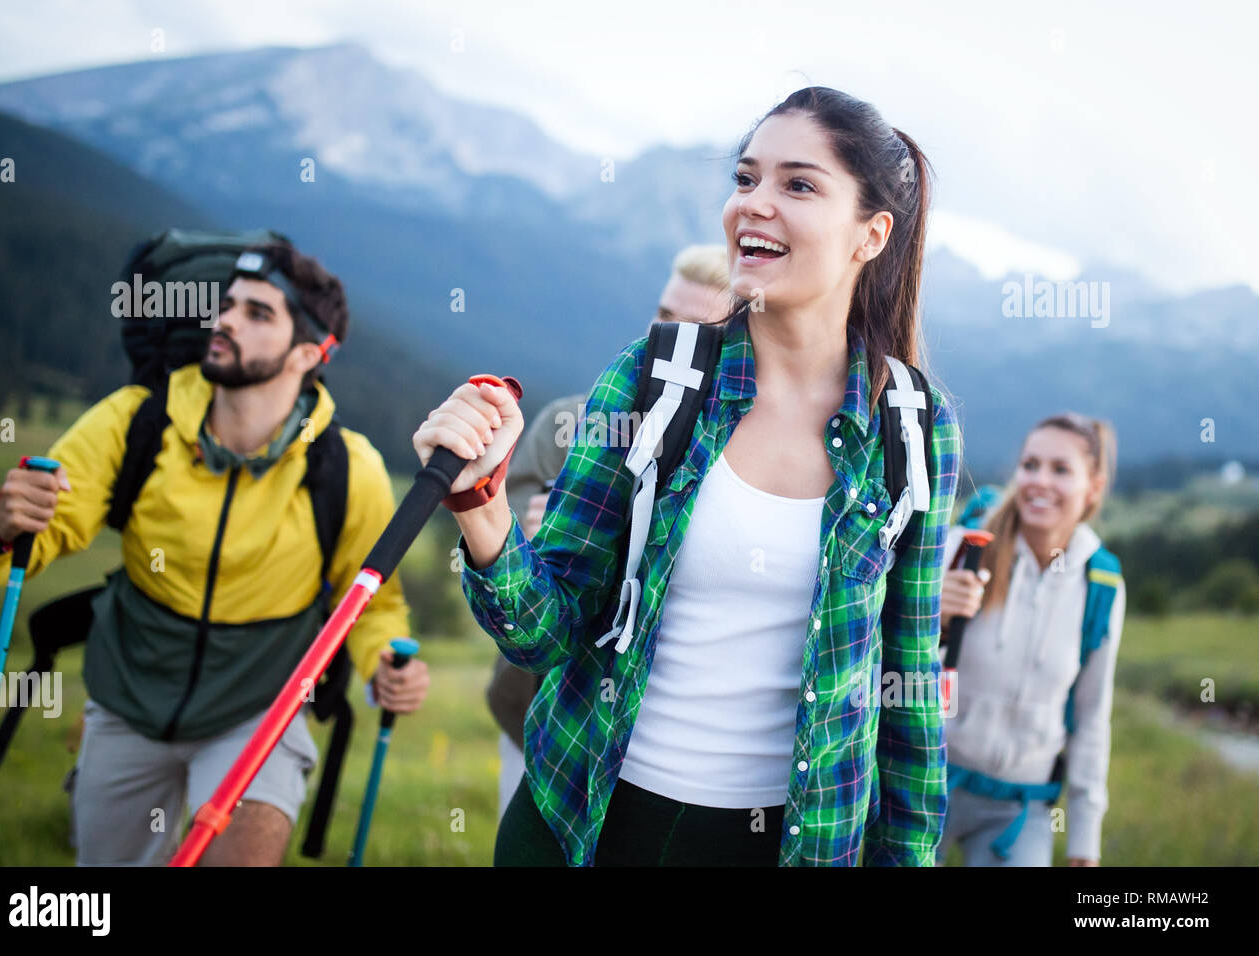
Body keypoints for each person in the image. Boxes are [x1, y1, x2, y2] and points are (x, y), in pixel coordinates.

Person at [415, 86, 962, 866]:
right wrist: (480, 502)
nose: (754, 205)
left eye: (798, 184)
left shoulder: (913, 424)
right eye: (746, 180)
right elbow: (544, 633)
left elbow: (908, 690)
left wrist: (907, 856)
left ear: (871, 234)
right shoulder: (655, 380)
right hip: (586, 823)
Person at [0, 238, 430, 866]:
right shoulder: (136, 422)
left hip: (261, 709)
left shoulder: (349, 469)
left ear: (309, 353)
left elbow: (369, 602)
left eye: (258, 313)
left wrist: (385, 669)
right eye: (227, 304)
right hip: (129, 698)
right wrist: (1, 526)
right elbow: (32, 538)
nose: (225, 319)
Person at [486, 244, 731, 819]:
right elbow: (506, 559)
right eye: (665, 314)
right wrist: (521, 533)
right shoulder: (570, 422)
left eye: (694, 325)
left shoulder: (741, 456)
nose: (668, 334)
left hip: (660, 749)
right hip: (536, 713)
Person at [936, 413, 1124, 867]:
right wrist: (932, 617)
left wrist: (1084, 839)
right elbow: (892, 663)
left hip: (1020, 808)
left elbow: (1091, 717)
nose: (1039, 481)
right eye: (1030, 464)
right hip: (928, 783)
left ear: (1093, 488)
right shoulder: (964, 548)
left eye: (1060, 469)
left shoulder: (1102, 586)